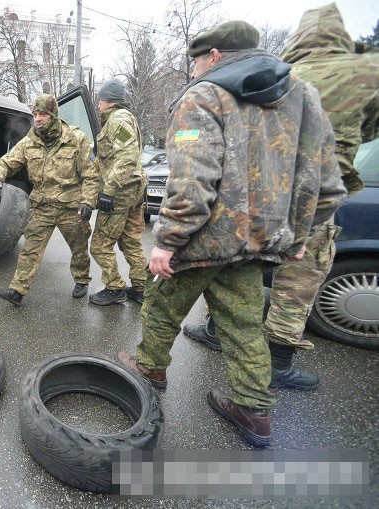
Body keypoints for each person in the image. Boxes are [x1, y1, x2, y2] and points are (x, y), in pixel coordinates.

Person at [115, 20, 346, 448]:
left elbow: (192, 178)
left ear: (215, 55)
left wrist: (168, 240)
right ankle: (254, 410)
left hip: (202, 240)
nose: (194, 69)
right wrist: (300, 236)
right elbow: (326, 179)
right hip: (257, 240)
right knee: (243, 325)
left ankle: (149, 368)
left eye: (197, 60)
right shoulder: (304, 96)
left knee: (163, 304)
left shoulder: (203, 95)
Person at [182, 4, 379, 391]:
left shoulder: (272, 75)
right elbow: (371, 129)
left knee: (237, 265)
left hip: (258, 194)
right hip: (312, 197)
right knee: (297, 281)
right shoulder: (367, 74)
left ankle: (217, 331)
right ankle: (277, 365)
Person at [0, 94, 97, 306]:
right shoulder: (29, 142)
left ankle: (82, 279)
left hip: (71, 206)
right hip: (42, 206)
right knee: (31, 248)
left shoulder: (75, 139)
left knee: (79, 247)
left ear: (53, 115)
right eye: (35, 114)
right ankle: (17, 290)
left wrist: (87, 202)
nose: (37, 118)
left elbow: (90, 175)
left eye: (43, 114)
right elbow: (7, 162)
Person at [88, 78, 149, 306]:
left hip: (121, 191)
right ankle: (142, 288)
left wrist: (109, 191)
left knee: (100, 245)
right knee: (130, 241)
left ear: (107, 100)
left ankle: (115, 288)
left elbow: (127, 157)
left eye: (100, 101)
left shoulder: (118, 120)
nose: (98, 105)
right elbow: (110, 158)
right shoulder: (121, 119)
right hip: (133, 189)